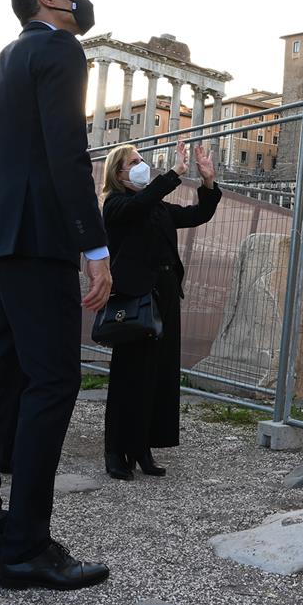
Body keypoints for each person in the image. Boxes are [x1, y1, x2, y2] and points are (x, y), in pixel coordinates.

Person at [0, 0, 112, 591]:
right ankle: (26, 548)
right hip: (38, 239)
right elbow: (67, 150)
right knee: (52, 380)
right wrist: (94, 245)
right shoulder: (61, 49)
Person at [100, 140, 221, 481]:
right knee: (129, 376)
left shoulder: (157, 207)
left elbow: (198, 214)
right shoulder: (116, 205)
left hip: (165, 296)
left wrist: (207, 183)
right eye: (133, 162)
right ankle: (115, 450)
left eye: (142, 160)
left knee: (157, 375)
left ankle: (142, 447)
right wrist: (174, 174)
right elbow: (137, 205)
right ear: (118, 173)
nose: (141, 165)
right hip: (134, 299)